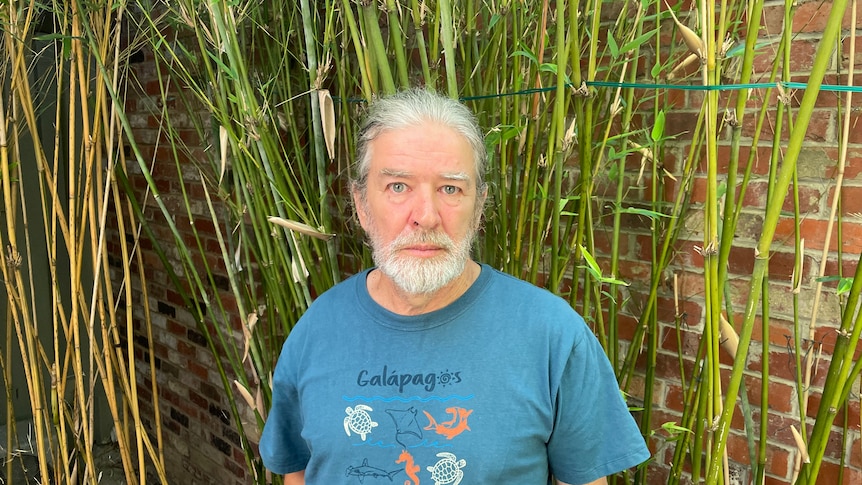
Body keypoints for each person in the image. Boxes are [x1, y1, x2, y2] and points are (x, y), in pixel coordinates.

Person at [259, 88, 650, 485]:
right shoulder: (316, 330)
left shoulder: (552, 337)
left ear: (478, 208)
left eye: (450, 188)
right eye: (398, 186)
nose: (425, 216)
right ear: (360, 205)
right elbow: (298, 474)